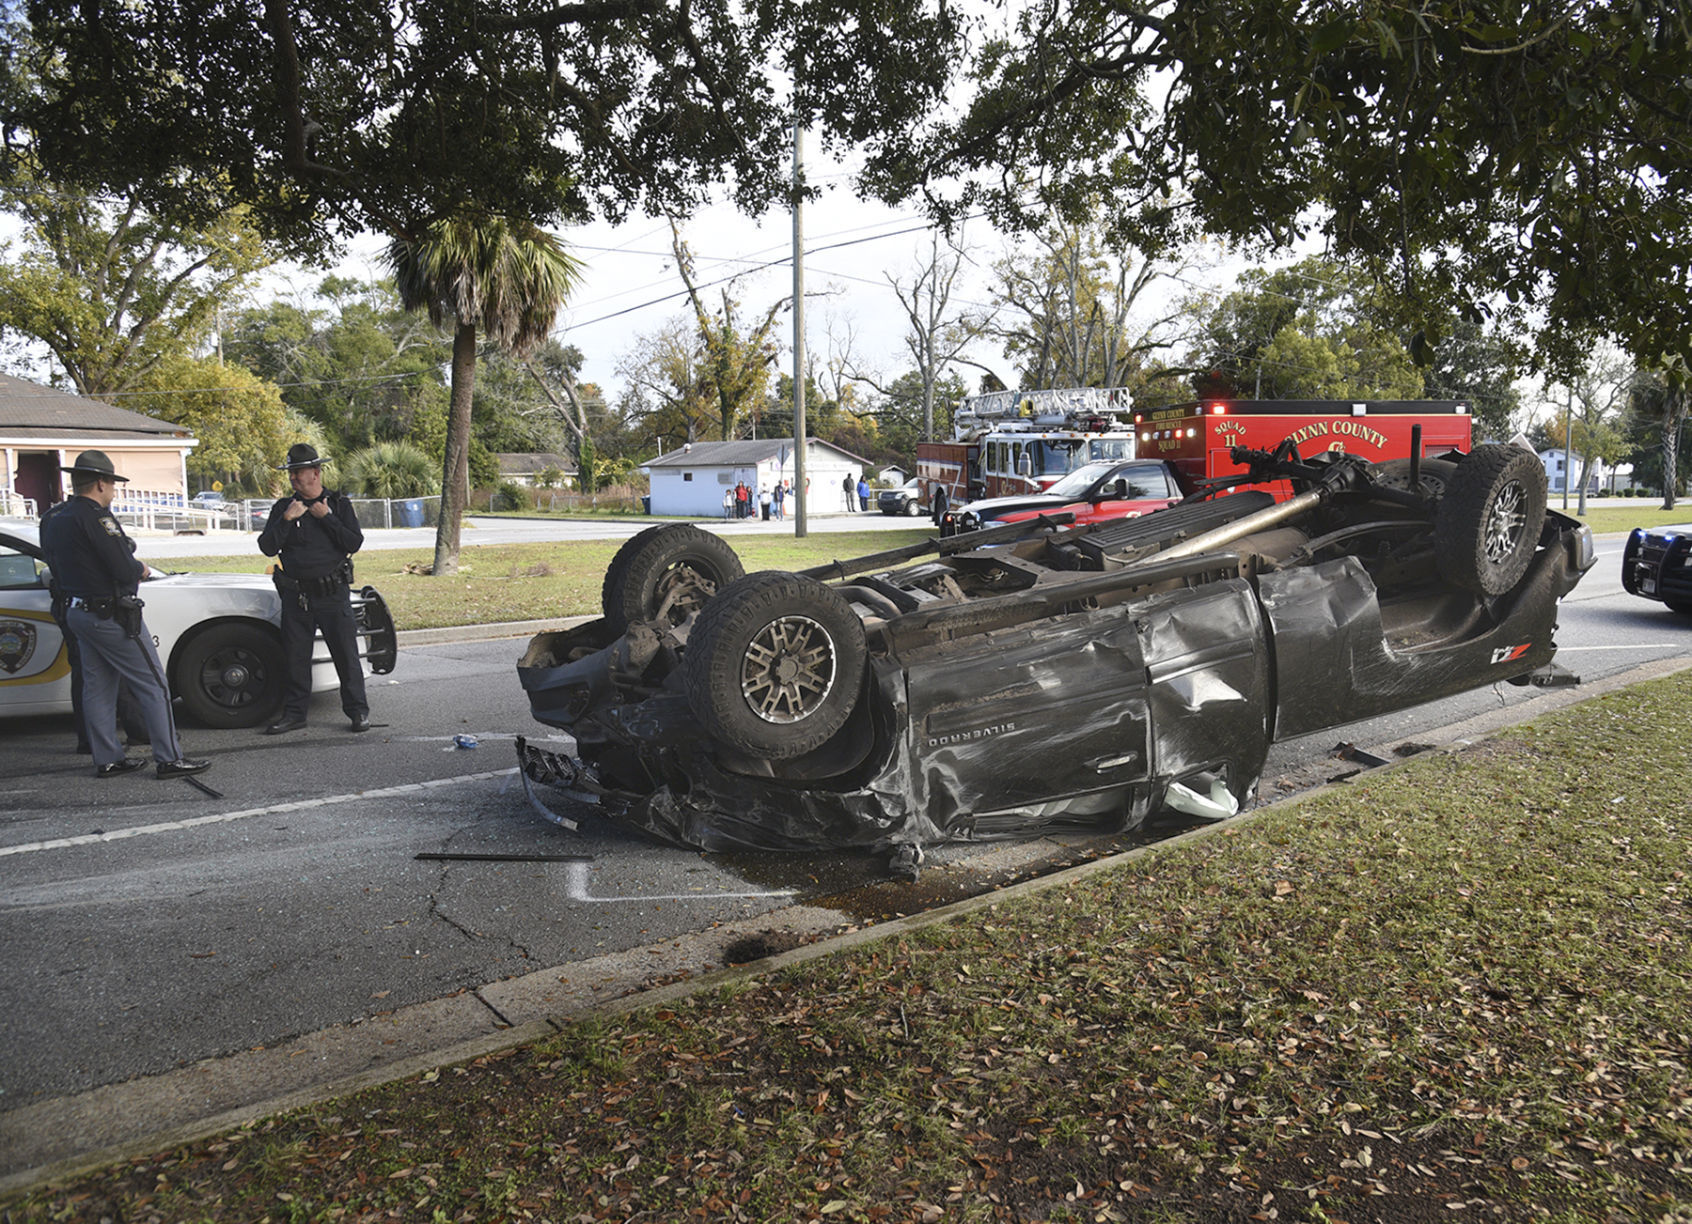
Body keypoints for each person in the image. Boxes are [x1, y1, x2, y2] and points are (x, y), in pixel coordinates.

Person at [37, 451, 210, 779]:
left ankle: (107, 758)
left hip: (77, 611)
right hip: (111, 614)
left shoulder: (54, 518)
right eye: (113, 484)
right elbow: (120, 566)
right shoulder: (97, 517)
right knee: (154, 683)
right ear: (101, 483)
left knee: (98, 686)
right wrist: (139, 569)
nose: (114, 491)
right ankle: (169, 757)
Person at [257, 443, 370, 734]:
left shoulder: (339, 504)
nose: (293, 478)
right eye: (291, 473)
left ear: (316, 473)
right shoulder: (284, 508)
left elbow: (353, 542)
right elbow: (267, 547)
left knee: (345, 655)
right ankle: (295, 714)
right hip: (297, 596)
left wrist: (326, 517)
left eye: (298, 472)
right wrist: (286, 520)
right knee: (295, 658)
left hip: (332, 594)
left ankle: (358, 712)